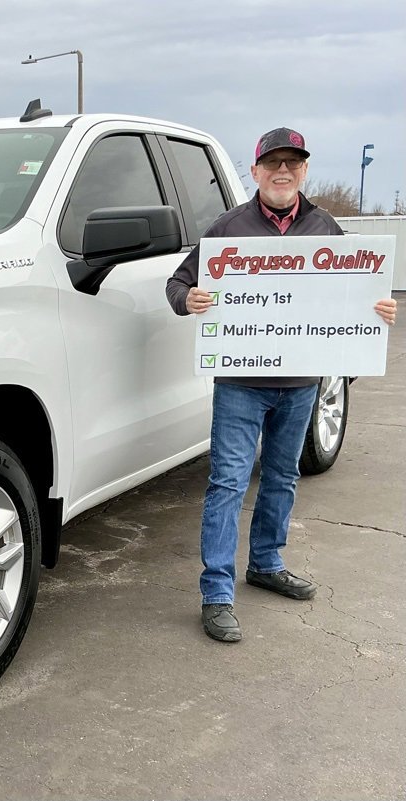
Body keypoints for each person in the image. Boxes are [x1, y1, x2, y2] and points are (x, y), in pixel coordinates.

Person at [166, 126, 398, 643]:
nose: (283, 171)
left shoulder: (325, 227)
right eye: (274, 163)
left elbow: (351, 293)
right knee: (227, 484)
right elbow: (178, 283)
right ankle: (217, 593)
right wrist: (191, 301)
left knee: (282, 477)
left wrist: (377, 308)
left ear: (304, 171)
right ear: (256, 171)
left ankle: (267, 563)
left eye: (293, 163)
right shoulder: (228, 229)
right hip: (241, 383)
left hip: (299, 384)